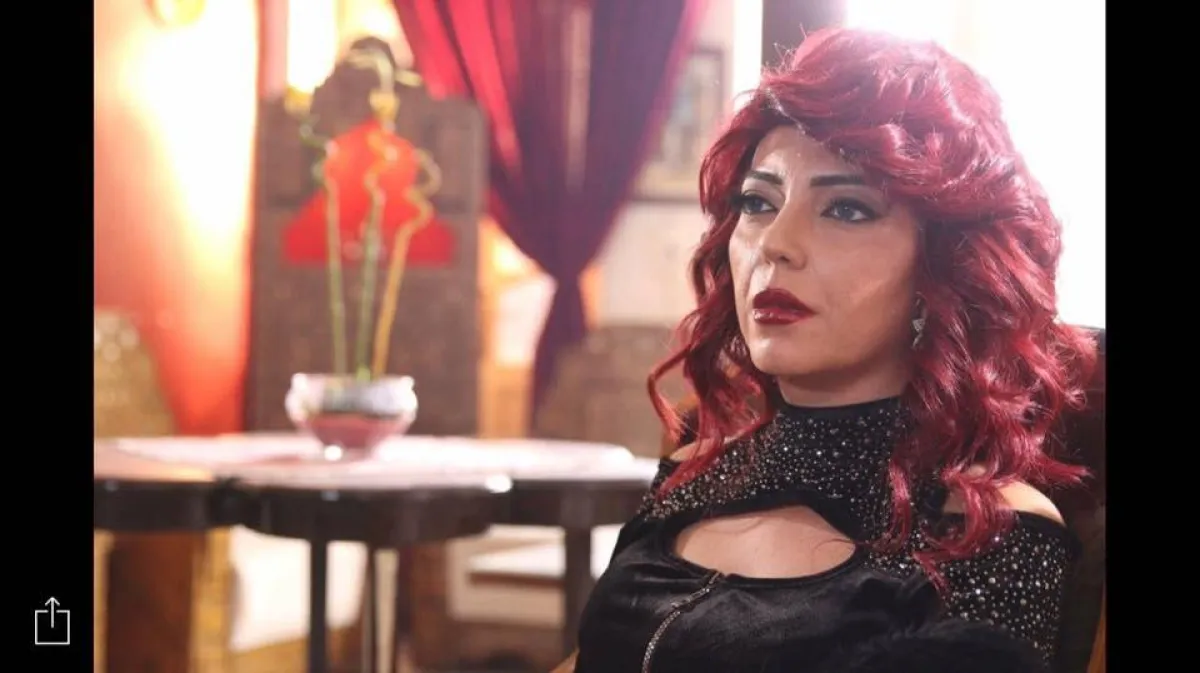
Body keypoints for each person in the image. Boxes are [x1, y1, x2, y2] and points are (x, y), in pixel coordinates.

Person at [561, 26, 1097, 673]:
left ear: (944, 265)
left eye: (846, 209)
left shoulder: (989, 531)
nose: (775, 243)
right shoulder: (693, 471)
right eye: (757, 202)